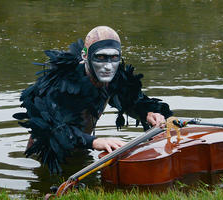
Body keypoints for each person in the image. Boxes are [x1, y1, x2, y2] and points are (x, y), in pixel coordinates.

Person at [13, 26, 172, 174]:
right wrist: (96, 142)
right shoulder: (62, 85)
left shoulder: (113, 77)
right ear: (85, 55)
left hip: (81, 148)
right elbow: (54, 129)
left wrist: (148, 113)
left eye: (114, 57)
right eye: (101, 57)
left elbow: (130, 101)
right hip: (47, 156)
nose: (108, 66)